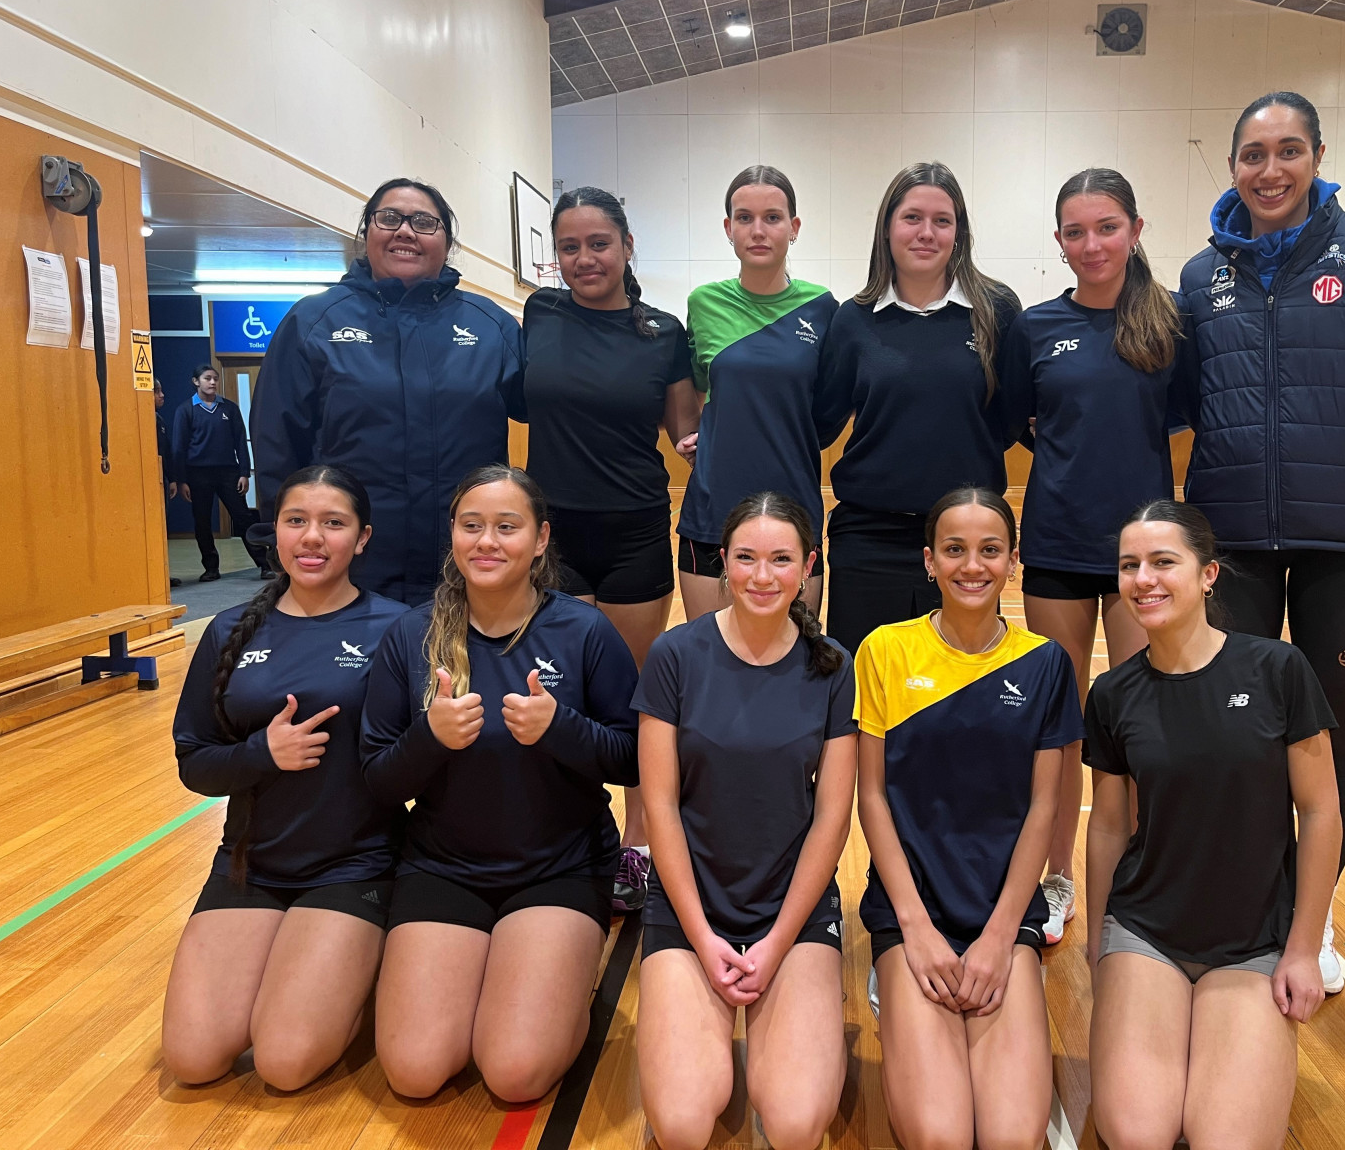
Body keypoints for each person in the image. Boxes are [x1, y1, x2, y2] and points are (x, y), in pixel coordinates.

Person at [1180, 90, 1345, 993]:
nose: (1271, 170)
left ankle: (1312, 920)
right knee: (1243, 735)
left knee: (1330, 735)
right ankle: (1253, 914)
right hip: (1235, 541)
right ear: (1233, 167)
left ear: (1319, 156)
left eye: (1289, 151)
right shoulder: (1200, 273)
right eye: (1254, 154)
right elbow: (1180, 397)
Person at [360, 464, 639, 1102]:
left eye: (507, 527)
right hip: (442, 868)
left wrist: (562, 729)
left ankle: (556, 982)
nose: (487, 542)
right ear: (453, 536)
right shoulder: (412, 635)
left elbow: (633, 761)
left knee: (514, 1073)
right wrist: (428, 737)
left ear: (540, 540)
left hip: (560, 868)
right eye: (471, 526)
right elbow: (377, 779)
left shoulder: (584, 631)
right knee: (415, 1069)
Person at [1084, 499, 1341, 1150]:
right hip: (1146, 933)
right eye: (1129, 565)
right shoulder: (1113, 694)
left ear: (1208, 574)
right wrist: (1099, 944)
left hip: (1253, 944)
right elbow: (1110, 827)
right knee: (1138, 1136)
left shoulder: (1277, 670)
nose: (1144, 579)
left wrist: (1304, 949)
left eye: (1163, 562)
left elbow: (1319, 812)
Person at [163, 465, 407, 1090]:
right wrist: (261, 755)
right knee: (194, 1061)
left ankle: (368, 968)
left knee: (285, 1061)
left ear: (363, 537)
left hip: (354, 867)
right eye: (296, 521)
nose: (312, 537)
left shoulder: (399, 631)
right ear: (274, 531)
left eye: (333, 523)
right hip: (251, 866)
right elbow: (194, 762)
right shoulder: (228, 631)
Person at [855, 487, 1081, 1150]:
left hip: (1003, 918)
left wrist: (1001, 937)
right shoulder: (885, 651)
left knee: (1011, 1137)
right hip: (913, 914)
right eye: (954, 549)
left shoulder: (1045, 664)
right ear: (929, 561)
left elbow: (1044, 805)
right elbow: (871, 799)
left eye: (990, 550)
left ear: (1013, 562)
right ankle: (889, 980)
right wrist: (916, 929)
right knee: (940, 1136)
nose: (971, 565)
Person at [634, 492, 855, 1150]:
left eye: (782, 559)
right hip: (689, 905)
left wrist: (779, 940)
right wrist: (702, 937)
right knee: (679, 1124)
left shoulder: (833, 666)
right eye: (747, 559)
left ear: (809, 565)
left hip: (792, 908)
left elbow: (832, 822)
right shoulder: (675, 655)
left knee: (792, 1125)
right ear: (722, 563)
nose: (763, 576)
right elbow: (661, 807)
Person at [1000, 167, 1185, 943]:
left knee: (1140, 717)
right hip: (1057, 541)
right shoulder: (1035, 326)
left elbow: (1185, 421)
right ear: (1059, 242)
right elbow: (1016, 418)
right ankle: (1056, 878)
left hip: (1144, 555)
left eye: (1106, 227)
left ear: (1135, 231)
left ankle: (1138, 869)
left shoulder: (1172, 325)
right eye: (1075, 232)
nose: (1091, 244)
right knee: (1061, 722)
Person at [520, 185, 696, 913]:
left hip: (633, 531)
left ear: (627, 247)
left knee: (626, 697)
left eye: (599, 243)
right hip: (552, 535)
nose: (585, 258)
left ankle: (639, 843)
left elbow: (687, 433)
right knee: (555, 694)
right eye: (570, 246)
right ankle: (563, 840)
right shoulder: (539, 314)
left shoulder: (663, 331)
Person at [251, 177, 526, 604]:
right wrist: (282, 536)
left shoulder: (492, 327)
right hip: (353, 565)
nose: (405, 231)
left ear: (447, 242)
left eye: (424, 222)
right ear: (367, 234)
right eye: (389, 218)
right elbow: (276, 441)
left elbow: (554, 409)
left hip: (466, 563)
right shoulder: (313, 323)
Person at [823, 162, 1022, 654]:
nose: (926, 233)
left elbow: (1010, 419)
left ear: (960, 232)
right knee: (862, 691)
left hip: (966, 540)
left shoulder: (996, 311)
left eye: (942, 220)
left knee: (958, 694)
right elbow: (820, 421)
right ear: (887, 227)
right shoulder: (853, 320)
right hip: (868, 537)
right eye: (912, 217)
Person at [676, 166, 841, 622]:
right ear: (729, 229)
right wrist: (692, 434)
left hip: (795, 507)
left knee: (795, 665)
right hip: (712, 508)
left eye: (772, 217)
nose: (758, 230)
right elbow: (693, 387)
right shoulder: (704, 303)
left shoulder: (824, 308)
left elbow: (827, 411)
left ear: (794, 227)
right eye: (744, 218)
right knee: (710, 662)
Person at [169, 363, 270, 582]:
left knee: (243, 518)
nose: (213, 382)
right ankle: (211, 568)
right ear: (196, 382)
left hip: (228, 473)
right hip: (197, 474)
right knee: (202, 521)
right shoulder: (185, 410)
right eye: (207, 378)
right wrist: (181, 480)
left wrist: (244, 472)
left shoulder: (229, 409)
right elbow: (178, 447)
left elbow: (240, 442)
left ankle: (264, 564)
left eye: (215, 378)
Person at [154, 377, 182, 588]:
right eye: (157, 391)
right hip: (147, 480)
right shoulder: (141, 419)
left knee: (163, 527)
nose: (162, 395)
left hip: (162, 478)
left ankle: (162, 572)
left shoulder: (159, 420)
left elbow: (167, 454)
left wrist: (172, 479)